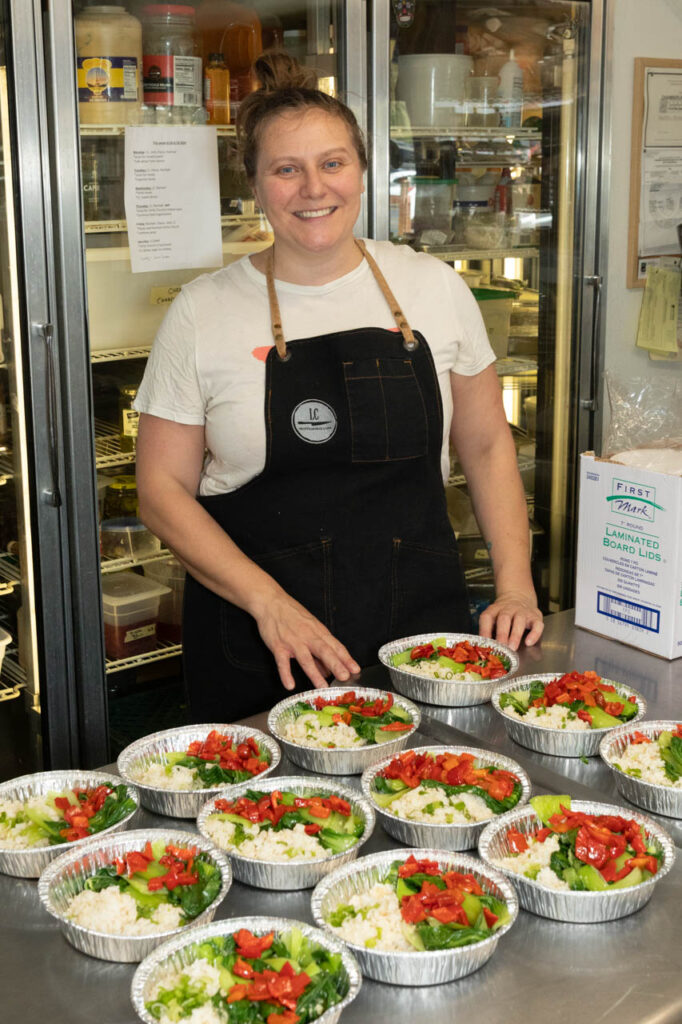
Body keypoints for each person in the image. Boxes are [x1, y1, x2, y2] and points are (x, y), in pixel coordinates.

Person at [134, 53, 543, 722]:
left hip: (417, 628)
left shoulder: (431, 287)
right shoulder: (204, 310)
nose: (312, 188)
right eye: (285, 169)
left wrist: (516, 585)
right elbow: (160, 491)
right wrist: (270, 605)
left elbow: (488, 444)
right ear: (257, 186)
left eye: (332, 163)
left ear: (361, 171)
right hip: (263, 641)